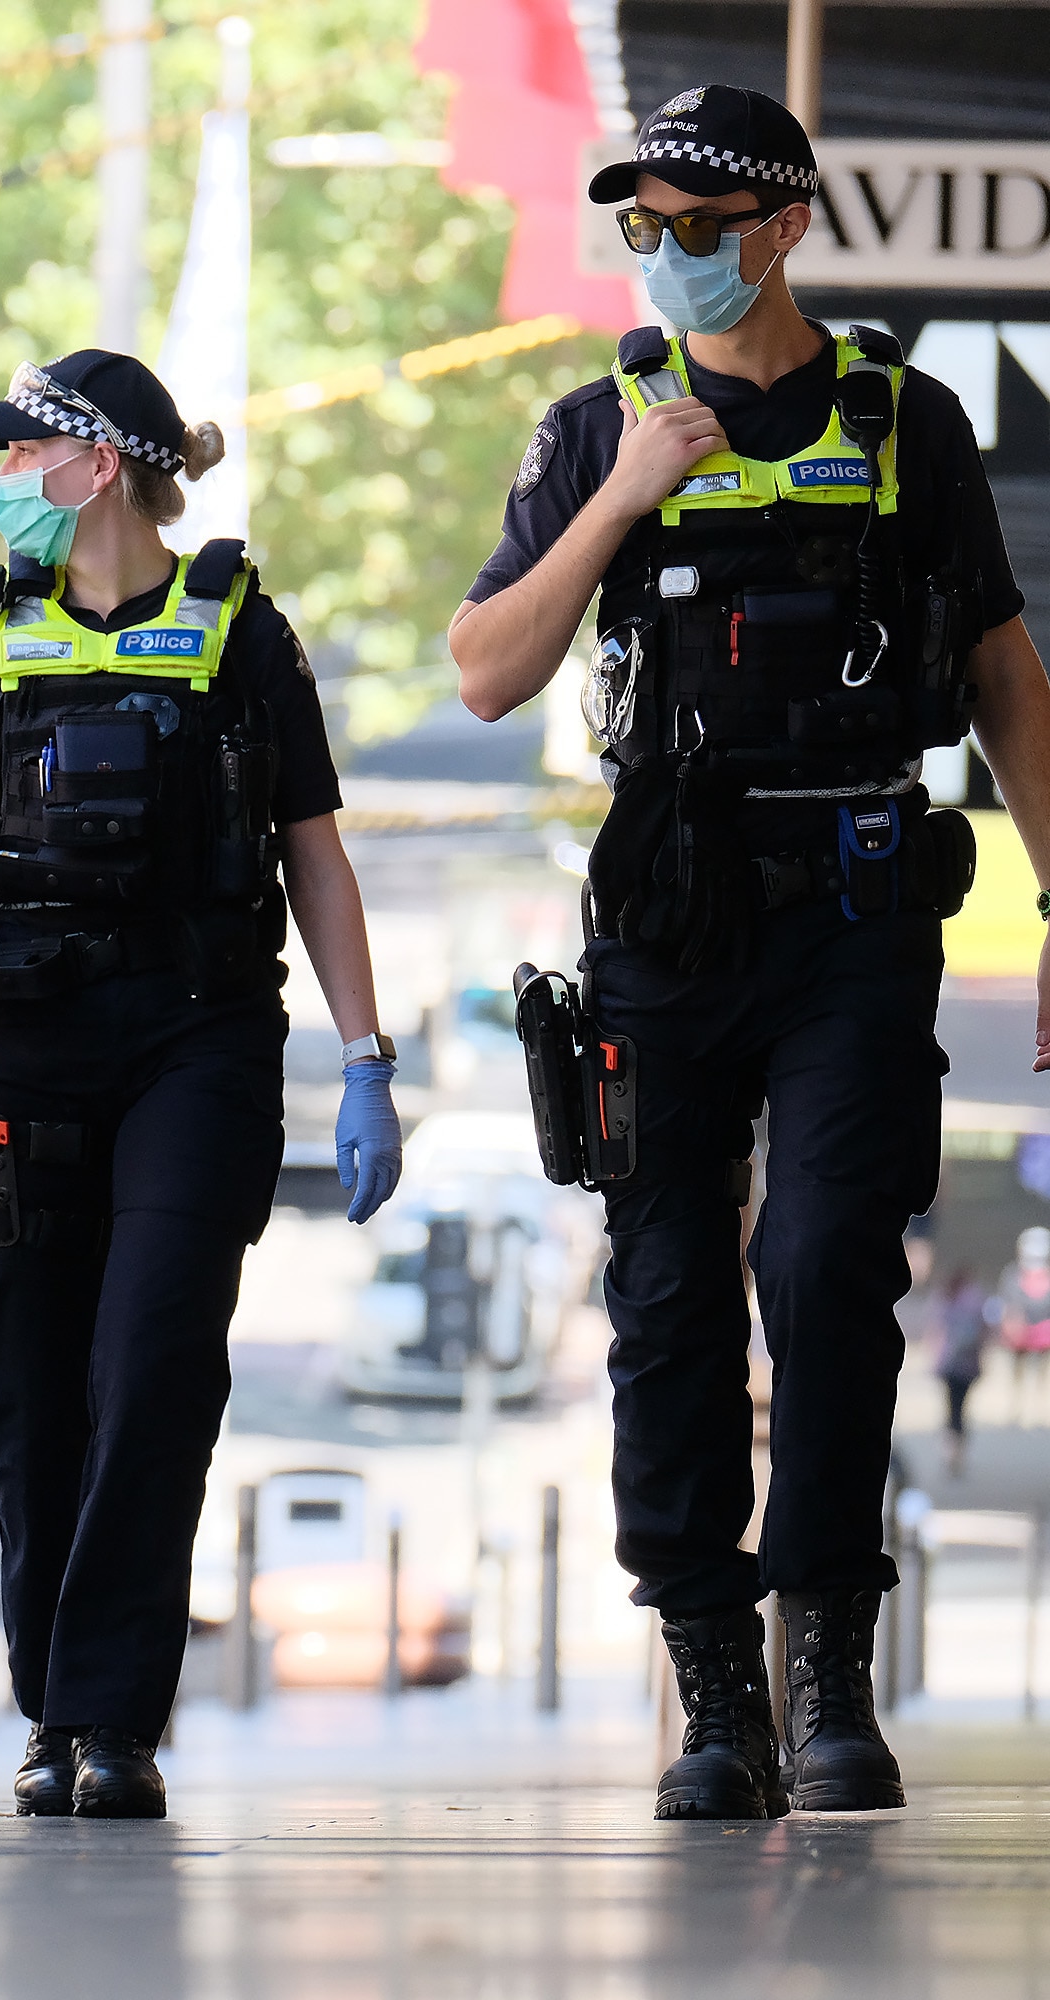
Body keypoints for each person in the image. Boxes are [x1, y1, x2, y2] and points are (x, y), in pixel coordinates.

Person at [450, 85, 1049, 1820]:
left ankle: (828, 1665)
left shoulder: (906, 425)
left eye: (699, 229)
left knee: (829, 1265)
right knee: (667, 1297)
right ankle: (715, 1682)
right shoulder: (597, 426)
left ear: (784, 226)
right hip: (666, 919)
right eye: (642, 230)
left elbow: (1008, 682)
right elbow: (487, 668)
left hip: (858, 900)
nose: (669, 258)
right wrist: (623, 499)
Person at [0, 351, 400, 1819]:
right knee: (33, 1386)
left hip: (198, 1035)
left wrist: (366, 1061)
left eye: (22, 455)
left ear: (98, 464)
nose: (2, 483)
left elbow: (315, 857)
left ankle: (111, 1720)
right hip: (26, 1040)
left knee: (155, 1365)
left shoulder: (242, 633)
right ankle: (54, 1707)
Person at [934, 1269, 990, 1477]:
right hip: (966, 1366)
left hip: (951, 1365)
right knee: (959, 1410)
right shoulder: (974, 1300)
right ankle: (955, 1451)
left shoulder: (949, 1299)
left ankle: (952, 1450)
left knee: (952, 1409)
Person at [999, 1227, 1050, 1423]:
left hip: (1043, 1331)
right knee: (1017, 1370)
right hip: (1020, 1331)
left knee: (1041, 1371)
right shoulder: (1012, 1274)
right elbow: (1008, 1302)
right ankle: (1016, 1406)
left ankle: (1038, 1408)